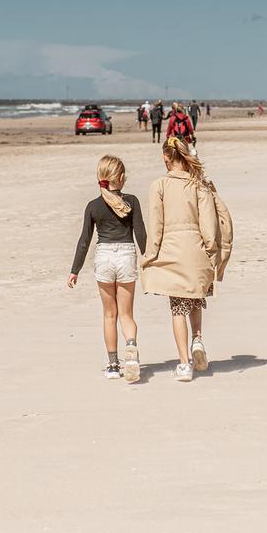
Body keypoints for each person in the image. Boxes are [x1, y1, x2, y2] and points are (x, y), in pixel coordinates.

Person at [141, 137, 233, 381]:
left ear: (166, 158)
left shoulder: (158, 185)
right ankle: (198, 340)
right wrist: (211, 251)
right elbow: (209, 225)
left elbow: (156, 225)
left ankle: (184, 363)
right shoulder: (199, 186)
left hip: (172, 252)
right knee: (194, 299)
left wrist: (149, 257)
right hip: (197, 252)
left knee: (178, 308)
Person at [67, 155, 148, 381]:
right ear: (121, 178)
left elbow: (84, 240)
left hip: (103, 257)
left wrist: (75, 270)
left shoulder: (93, 206)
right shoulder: (132, 201)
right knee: (126, 314)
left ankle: (113, 365)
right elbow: (140, 234)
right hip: (126, 256)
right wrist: (149, 260)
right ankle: (131, 349)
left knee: (109, 315)